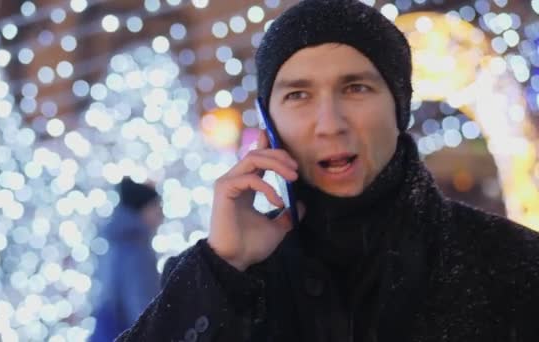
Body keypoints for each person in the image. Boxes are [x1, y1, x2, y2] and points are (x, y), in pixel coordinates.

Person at [116, 1, 539, 341]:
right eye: (298, 94)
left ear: (399, 106)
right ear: (271, 124)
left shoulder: (514, 264)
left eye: (356, 88)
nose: (330, 122)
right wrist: (224, 266)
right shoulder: (220, 282)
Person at [90, 178, 163, 342]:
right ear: (143, 209)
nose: (160, 215)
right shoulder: (137, 250)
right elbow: (142, 309)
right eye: (156, 207)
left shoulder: (116, 243)